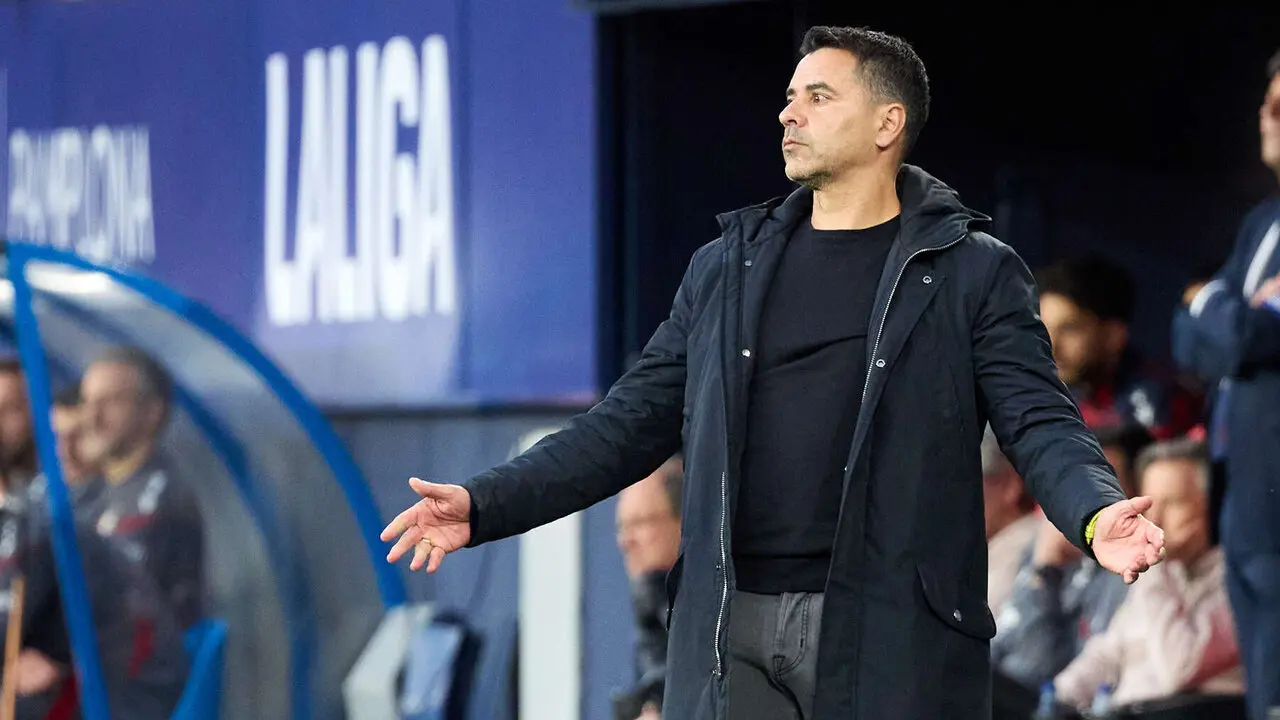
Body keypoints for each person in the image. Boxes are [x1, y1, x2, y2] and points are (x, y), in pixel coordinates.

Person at [382, 26, 1165, 720]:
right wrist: (485, 504)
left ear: (888, 123)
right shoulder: (726, 268)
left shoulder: (973, 273)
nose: (789, 114)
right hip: (729, 627)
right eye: (791, 98)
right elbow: (626, 426)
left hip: (889, 631)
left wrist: (1096, 515)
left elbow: (1039, 420)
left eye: (818, 97)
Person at [1171, 48, 1280, 720]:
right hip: (1242, 500)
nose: (1267, 112)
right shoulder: (1261, 225)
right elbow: (1193, 344)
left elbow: (1242, 338)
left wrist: (1209, 304)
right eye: (1269, 97)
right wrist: (1218, 310)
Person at [1054, 438, 1242, 710]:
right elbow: (1107, 652)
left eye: (1174, 504)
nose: (1155, 521)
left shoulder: (1236, 580)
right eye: (1150, 508)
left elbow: (1180, 667)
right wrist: (1055, 700)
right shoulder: (1165, 574)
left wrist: (1154, 564)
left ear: (1210, 508)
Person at [78, 347, 205, 629]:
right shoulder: (87, 494)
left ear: (151, 412)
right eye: (86, 402)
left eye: (110, 402)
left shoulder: (168, 497)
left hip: (142, 665)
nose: (91, 417)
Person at [1035, 256, 1200, 440]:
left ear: (1113, 336)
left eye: (1070, 329)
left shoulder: (1161, 401)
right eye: (1043, 328)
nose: (1051, 346)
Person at [613, 455, 684, 720]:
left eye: (641, 522)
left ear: (683, 521)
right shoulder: (646, 603)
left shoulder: (717, 609)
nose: (626, 541)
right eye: (622, 527)